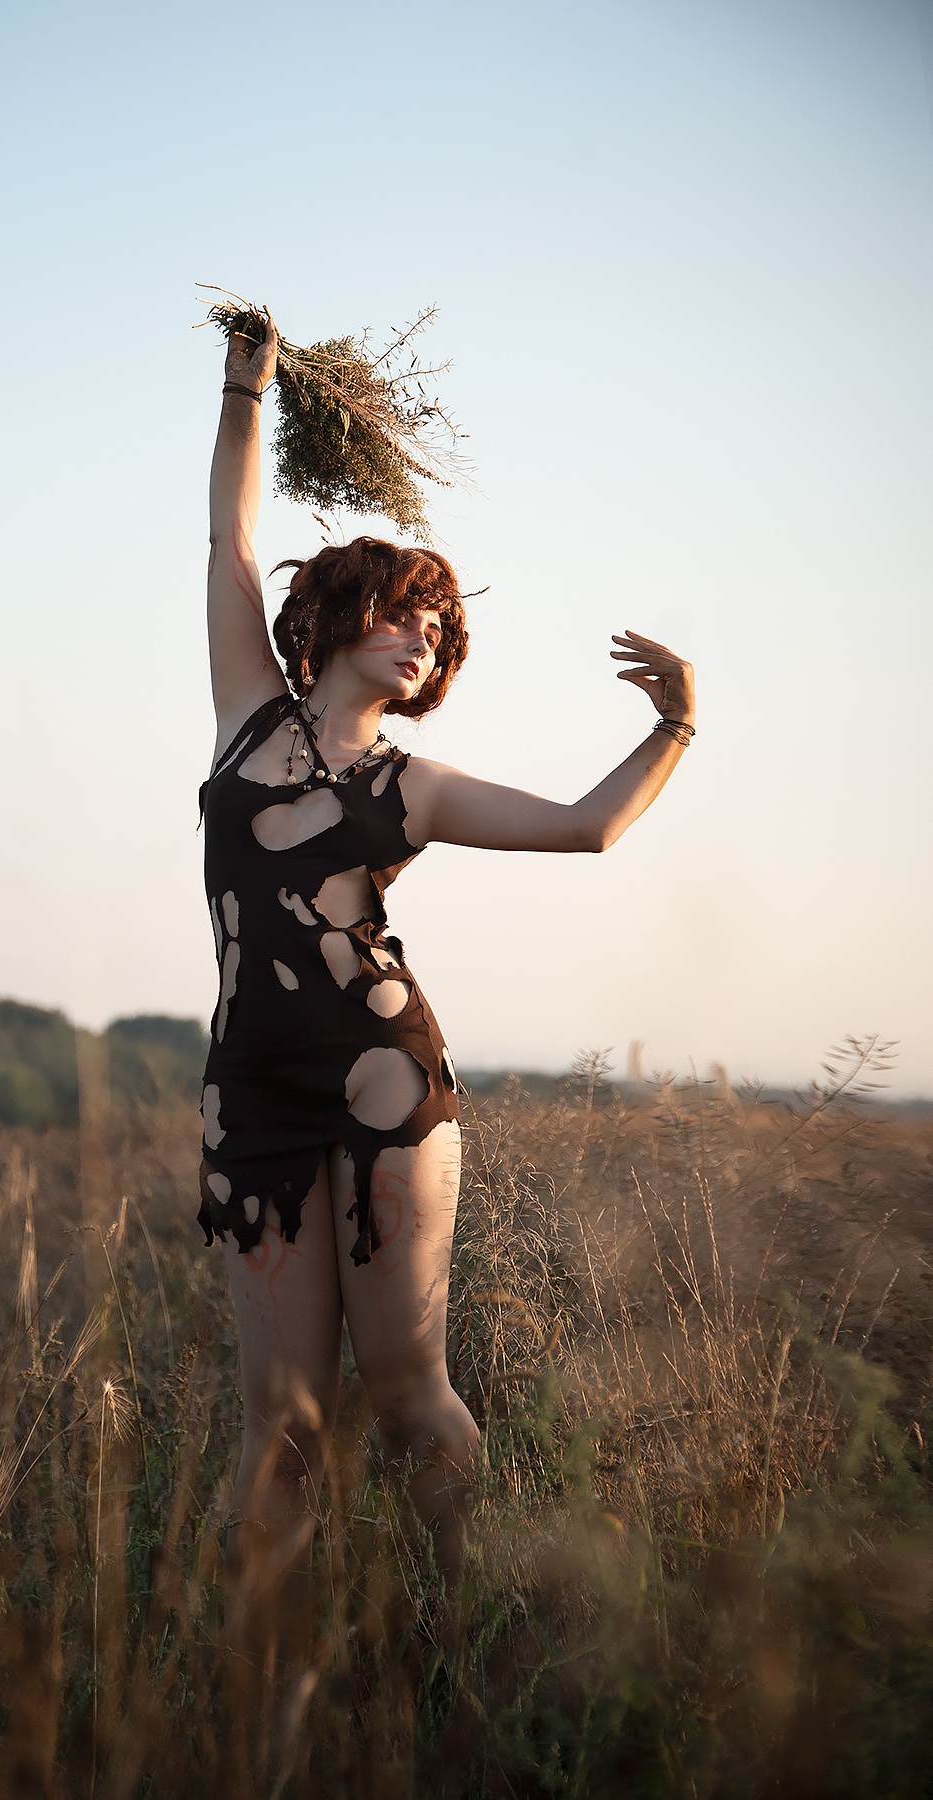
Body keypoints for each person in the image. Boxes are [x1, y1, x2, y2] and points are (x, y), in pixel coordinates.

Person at [201, 316, 695, 1623]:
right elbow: (232, 547)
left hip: (385, 1082)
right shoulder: (246, 712)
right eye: (404, 610)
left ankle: (464, 1635)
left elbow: (584, 827)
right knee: (281, 1422)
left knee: (408, 1395)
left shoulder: (410, 784)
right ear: (336, 616)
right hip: (248, 1095)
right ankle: (257, 1672)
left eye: (439, 627)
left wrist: (676, 727)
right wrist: (247, 387)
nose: (423, 634)